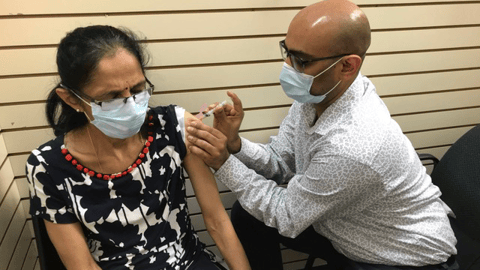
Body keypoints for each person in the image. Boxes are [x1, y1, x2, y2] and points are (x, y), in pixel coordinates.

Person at [185, 0, 459, 269]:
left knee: (266, 212)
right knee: (248, 216)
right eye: (287, 52)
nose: (289, 68)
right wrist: (235, 145)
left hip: (399, 254)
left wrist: (223, 163)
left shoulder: (353, 145)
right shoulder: (317, 95)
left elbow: (287, 216)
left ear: (347, 66)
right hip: (344, 225)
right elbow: (282, 161)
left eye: (301, 60)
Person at [26, 25, 250, 270]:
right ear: (71, 99)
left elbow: (216, 220)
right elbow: (83, 266)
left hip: (187, 262)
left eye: (137, 89)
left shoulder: (175, 126)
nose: (131, 106)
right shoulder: (46, 167)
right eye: (111, 97)